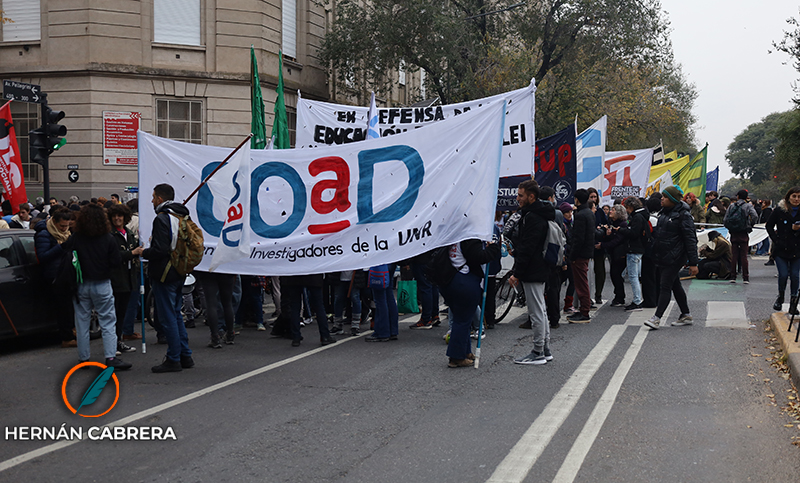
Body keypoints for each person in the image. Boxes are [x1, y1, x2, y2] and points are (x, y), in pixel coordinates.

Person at [61, 204, 131, 369]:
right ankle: (111, 357)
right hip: (102, 283)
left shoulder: (76, 237)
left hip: (81, 283)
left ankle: (84, 358)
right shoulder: (108, 238)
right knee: (107, 321)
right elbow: (115, 261)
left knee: (82, 322)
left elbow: (65, 251)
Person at [141, 183, 194, 372]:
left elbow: (161, 249)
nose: (152, 200)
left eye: (153, 197)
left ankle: (173, 358)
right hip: (179, 270)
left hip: (164, 272)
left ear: (160, 199)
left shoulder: (162, 218)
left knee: (168, 316)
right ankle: (185, 354)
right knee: (176, 314)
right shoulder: (181, 216)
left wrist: (144, 251)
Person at [509, 180, 555, 365]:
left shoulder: (533, 217)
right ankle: (545, 348)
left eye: (521, 195)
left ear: (531, 196)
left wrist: (517, 273)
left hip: (533, 269)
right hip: (539, 268)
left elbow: (528, 248)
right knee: (541, 311)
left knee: (536, 312)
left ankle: (538, 352)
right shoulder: (537, 214)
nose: (517, 198)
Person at [644, 185, 698, 330]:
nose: (662, 199)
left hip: (675, 257)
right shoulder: (665, 213)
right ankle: (686, 314)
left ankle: (657, 318)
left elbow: (691, 239)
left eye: (665, 197)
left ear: (673, 199)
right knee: (675, 285)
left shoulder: (683, 215)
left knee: (665, 286)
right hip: (663, 256)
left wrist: (693, 262)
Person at [34, 207, 77, 347]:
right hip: (55, 275)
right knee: (63, 308)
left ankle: (72, 330)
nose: (65, 229)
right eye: (62, 226)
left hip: (67, 273)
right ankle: (66, 337)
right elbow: (43, 256)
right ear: (54, 222)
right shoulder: (44, 234)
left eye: (67, 226)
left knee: (71, 305)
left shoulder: (67, 233)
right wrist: (62, 247)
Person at [108, 203, 143, 355]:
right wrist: (132, 253)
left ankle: (119, 340)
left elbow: (134, 249)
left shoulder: (127, 233)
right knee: (113, 313)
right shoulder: (110, 235)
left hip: (129, 277)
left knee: (122, 312)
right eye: (114, 216)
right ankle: (112, 343)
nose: (117, 219)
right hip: (116, 278)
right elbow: (112, 257)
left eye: (120, 216)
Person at [766, 187, 800, 312]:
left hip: (797, 249)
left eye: (799, 197)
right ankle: (780, 298)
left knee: (795, 276)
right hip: (781, 248)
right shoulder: (779, 210)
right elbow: (769, 225)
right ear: (788, 197)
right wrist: (776, 240)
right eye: (794, 196)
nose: (796, 199)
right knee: (784, 275)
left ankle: (793, 303)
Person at [567, 189, 595, 322]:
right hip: (587, 252)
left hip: (580, 254)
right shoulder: (589, 213)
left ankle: (584, 311)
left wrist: (572, 256)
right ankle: (583, 309)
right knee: (582, 282)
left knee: (581, 283)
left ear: (577, 199)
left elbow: (578, 238)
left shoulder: (580, 215)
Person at [619, 196, 649, 311]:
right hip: (639, 249)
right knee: (635, 276)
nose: (626, 210)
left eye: (626, 207)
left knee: (633, 276)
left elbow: (633, 233)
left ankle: (637, 300)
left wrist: (621, 230)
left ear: (631, 207)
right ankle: (637, 299)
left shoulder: (637, 217)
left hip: (634, 249)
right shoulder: (642, 215)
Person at [724, 189, 758, 283]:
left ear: (737, 196)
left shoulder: (731, 206)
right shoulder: (748, 206)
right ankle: (745, 277)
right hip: (743, 232)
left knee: (734, 255)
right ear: (746, 197)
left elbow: (725, 219)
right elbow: (755, 216)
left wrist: (730, 227)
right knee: (744, 255)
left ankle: (733, 276)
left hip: (734, 233)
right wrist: (750, 225)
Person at [597, 204, 627, 307]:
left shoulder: (622, 224)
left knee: (616, 275)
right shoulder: (612, 223)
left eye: (613, 210)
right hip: (614, 253)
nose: (610, 211)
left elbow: (617, 240)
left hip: (620, 254)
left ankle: (620, 297)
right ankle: (619, 296)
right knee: (615, 275)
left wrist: (603, 245)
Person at [588, 188, 607, 304]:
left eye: (595, 197)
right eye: (591, 197)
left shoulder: (600, 212)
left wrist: (603, 229)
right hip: (589, 245)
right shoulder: (585, 211)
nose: (594, 199)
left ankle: (598, 294)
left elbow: (606, 225)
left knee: (600, 271)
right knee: (588, 272)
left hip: (599, 245)